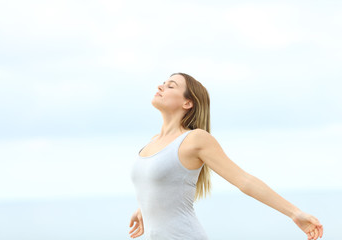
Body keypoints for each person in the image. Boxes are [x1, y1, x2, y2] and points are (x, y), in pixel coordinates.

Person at [129, 72, 324, 240]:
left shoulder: (195, 139)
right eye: (164, 83)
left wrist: (295, 213)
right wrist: (144, 209)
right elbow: (162, 184)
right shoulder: (153, 142)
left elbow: (244, 180)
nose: (161, 86)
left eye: (170, 85)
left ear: (188, 102)